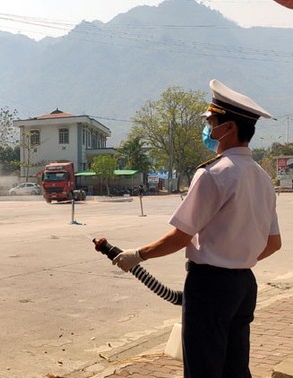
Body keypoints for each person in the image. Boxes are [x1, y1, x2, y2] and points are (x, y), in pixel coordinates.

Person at [112, 79, 282, 378]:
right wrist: (238, 259)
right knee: (235, 368)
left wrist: (137, 255)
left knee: (203, 369)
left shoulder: (214, 174)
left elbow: (181, 235)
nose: (207, 128)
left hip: (210, 287)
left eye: (211, 122)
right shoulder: (262, 178)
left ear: (228, 128)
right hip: (244, 285)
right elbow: (273, 243)